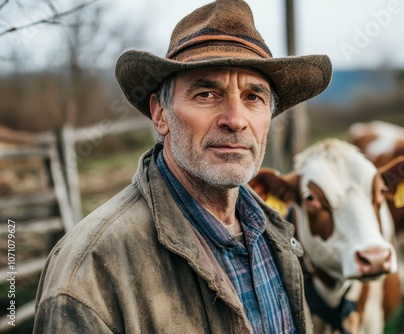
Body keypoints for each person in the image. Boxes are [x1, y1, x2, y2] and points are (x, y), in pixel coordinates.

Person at [33, 0, 332, 333]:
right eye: (206, 94)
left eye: (253, 97)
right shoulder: (90, 270)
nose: (235, 120)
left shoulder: (275, 235)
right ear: (161, 114)